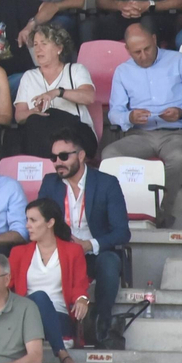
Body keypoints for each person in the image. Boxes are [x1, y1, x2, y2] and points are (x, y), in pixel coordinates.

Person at [102, 22, 182, 226]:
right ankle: (121, 211)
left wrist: (181, 112)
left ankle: (161, 212)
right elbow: (115, 112)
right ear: (127, 49)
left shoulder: (178, 61)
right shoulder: (123, 71)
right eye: (137, 52)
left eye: (147, 49)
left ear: (154, 40)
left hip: (177, 133)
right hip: (139, 134)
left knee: (178, 158)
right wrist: (130, 117)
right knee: (109, 155)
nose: (143, 56)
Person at [37, 130, 129, 349]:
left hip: (95, 252)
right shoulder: (50, 183)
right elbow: (40, 223)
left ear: (80, 155)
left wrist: (88, 245)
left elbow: (122, 232)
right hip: (62, 252)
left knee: (109, 263)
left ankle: (102, 328)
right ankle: (59, 328)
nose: (57, 163)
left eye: (63, 156)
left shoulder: (106, 183)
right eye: (53, 158)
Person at [9, 198, 87, 363]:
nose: (27, 225)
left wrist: (82, 299)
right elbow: (5, 286)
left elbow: (80, 284)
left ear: (50, 222)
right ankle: (63, 355)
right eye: (27, 220)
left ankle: (59, 350)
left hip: (59, 317)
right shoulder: (18, 252)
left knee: (42, 300)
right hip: (24, 318)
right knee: (39, 297)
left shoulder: (73, 251)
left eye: (33, 220)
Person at [12, 24, 97, 157]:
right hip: (41, 135)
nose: (38, 49)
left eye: (44, 44)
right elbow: (19, 117)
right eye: (35, 44)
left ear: (59, 48)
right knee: (28, 126)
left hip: (77, 134)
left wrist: (57, 92)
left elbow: (89, 97)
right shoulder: (29, 76)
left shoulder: (76, 70)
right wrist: (34, 111)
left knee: (48, 116)